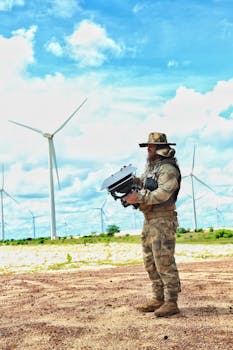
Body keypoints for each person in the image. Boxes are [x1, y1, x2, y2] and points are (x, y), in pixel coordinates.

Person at [125, 132, 181, 317]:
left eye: (151, 146)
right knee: (150, 262)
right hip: (150, 219)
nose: (148, 150)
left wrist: (138, 197)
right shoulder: (153, 168)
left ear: (160, 148)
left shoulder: (168, 169)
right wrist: (131, 180)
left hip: (163, 220)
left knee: (164, 261)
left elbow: (163, 193)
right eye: (147, 146)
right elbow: (146, 183)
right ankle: (158, 299)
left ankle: (171, 302)